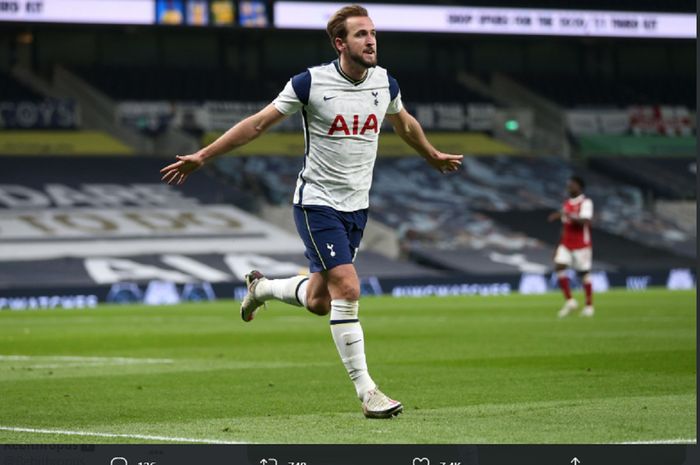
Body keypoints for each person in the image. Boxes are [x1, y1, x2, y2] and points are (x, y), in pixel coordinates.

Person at [160, 4, 463, 418]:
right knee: (349, 289)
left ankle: (262, 289)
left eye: (372, 33)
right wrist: (204, 155)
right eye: (360, 34)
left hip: (357, 207)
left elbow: (404, 121)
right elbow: (258, 123)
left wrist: (430, 154)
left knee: (321, 301)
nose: (371, 40)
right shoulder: (309, 83)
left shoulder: (384, 83)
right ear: (341, 43)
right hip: (317, 203)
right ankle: (368, 393)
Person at [548, 175, 594, 318]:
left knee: (584, 273)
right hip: (566, 243)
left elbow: (585, 221)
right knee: (559, 267)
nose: (569, 187)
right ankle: (570, 301)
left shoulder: (586, 202)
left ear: (579, 186)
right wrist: (557, 247)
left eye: (572, 184)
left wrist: (569, 214)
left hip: (581, 244)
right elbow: (564, 226)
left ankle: (589, 306)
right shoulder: (567, 203)